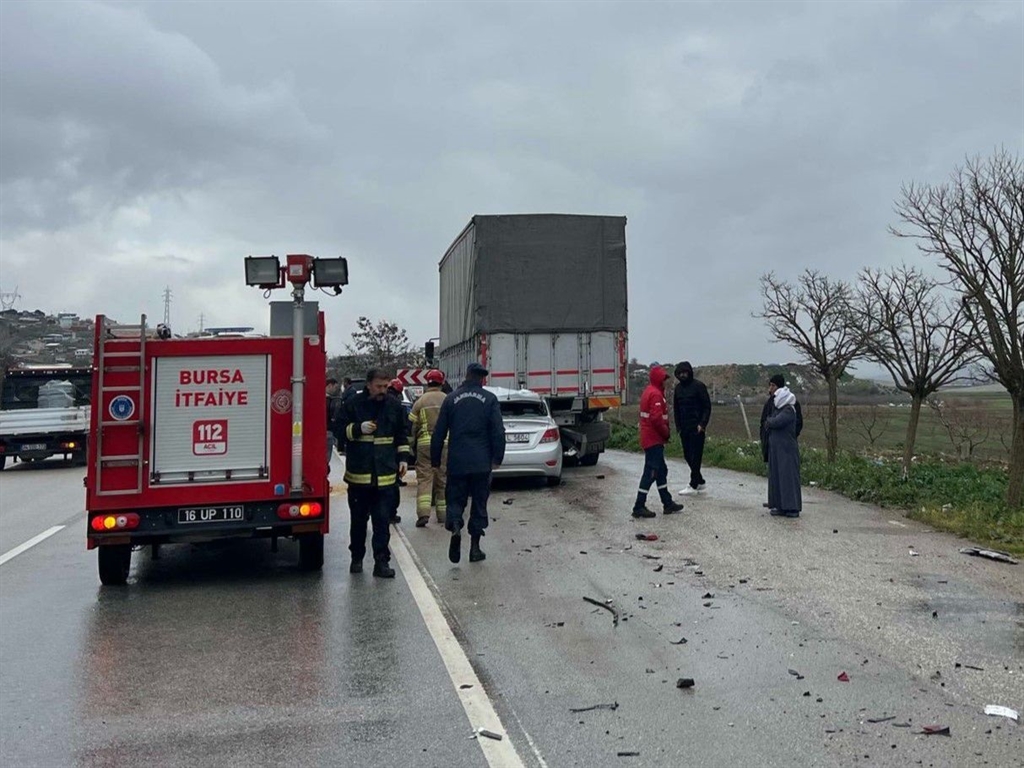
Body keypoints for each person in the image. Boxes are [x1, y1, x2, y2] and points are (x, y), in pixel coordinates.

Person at [336, 369, 413, 578]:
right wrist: (357, 428)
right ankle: (357, 557)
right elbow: (338, 431)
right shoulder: (353, 405)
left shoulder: (394, 406)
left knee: (381, 523)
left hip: (386, 476)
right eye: (379, 386)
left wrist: (404, 459)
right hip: (359, 475)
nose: (382, 390)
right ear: (368, 385)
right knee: (359, 521)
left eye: (385, 386)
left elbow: (401, 435)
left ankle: (381, 563)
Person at [431, 362, 505, 564]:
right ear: (482, 379)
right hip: (482, 463)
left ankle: (455, 526)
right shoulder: (489, 399)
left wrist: (435, 459)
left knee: (455, 500)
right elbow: (498, 431)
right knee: (479, 504)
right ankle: (475, 548)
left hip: (457, 462)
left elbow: (439, 432)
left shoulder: (451, 399)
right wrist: (498, 457)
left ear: (466, 375)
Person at [633, 366, 685, 518]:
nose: (666, 382)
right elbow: (656, 419)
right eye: (664, 379)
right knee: (651, 472)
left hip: (650, 438)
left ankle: (667, 502)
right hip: (654, 439)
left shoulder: (649, 391)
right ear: (659, 380)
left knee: (661, 471)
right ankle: (639, 505)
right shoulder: (655, 395)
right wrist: (666, 433)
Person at [409, 369, 448, 527]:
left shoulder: (420, 401)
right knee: (442, 479)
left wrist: (411, 445)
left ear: (427, 382)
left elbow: (412, 425)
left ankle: (423, 514)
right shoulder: (447, 399)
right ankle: (443, 515)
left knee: (425, 479)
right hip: (444, 444)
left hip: (424, 445)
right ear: (442, 382)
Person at [759, 374, 803, 508]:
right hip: (773, 444)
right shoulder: (771, 403)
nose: (770, 389)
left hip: (785, 445)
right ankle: (777, 503)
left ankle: (789, 506)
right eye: (770, 385)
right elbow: (765, 421)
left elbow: (777, 421)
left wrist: (788, 435)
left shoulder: (789, 407)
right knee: (776, 476)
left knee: (786, 476)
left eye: (773, 385)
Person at [672, 361, 712, 495]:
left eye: (685, 373)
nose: (683, 376)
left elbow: (707, 407)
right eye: (680, 373)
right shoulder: (678, 389)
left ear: (689, 373)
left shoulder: (699, 386)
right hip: (684, 428)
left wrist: (702, 424)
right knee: (687, 455)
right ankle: (700, 481)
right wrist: (678, 426)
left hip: (697, 428)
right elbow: (676, 409)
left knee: (696, 456)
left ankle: (693, 484)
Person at [325, 378, 343, 469]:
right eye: (335, 387)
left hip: (324, 431)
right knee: (326, 457)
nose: (335, 390)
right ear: (329, 385)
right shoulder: (329, 401)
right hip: (328, 431)